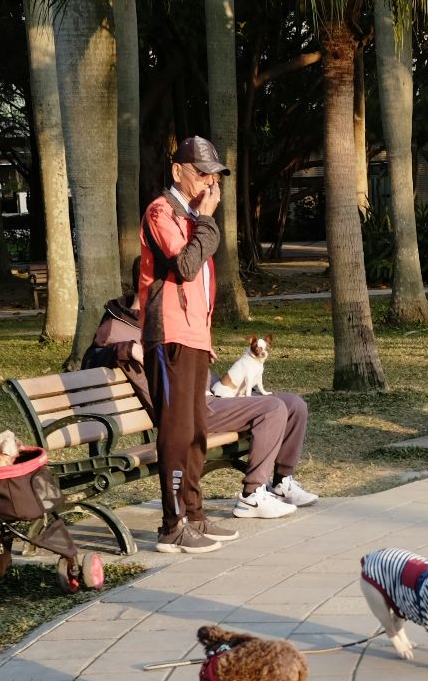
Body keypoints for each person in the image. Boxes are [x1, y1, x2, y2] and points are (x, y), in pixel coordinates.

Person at [88, 286, 320, 521]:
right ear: (147, 284)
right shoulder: (116, 325)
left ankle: (282, 483)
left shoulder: (166, 316)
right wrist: (127, 348)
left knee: (293, 404)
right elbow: (91, 361)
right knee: (273, 408)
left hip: (212, 392)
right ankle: (253, 495)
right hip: (187, 409)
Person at [138, 135, 241, 553]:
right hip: (167, 336)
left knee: (197, 428)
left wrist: (206, 336)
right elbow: (185, 264)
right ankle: (171, 523)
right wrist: (209, 221)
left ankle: (194, 514)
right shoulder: (162, 211)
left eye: (213, 175)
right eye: (201, 173)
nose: (208, 183)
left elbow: (200, 285)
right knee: (177, 430)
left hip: (193, 335)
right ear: (178, 171)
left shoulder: (193, 219)